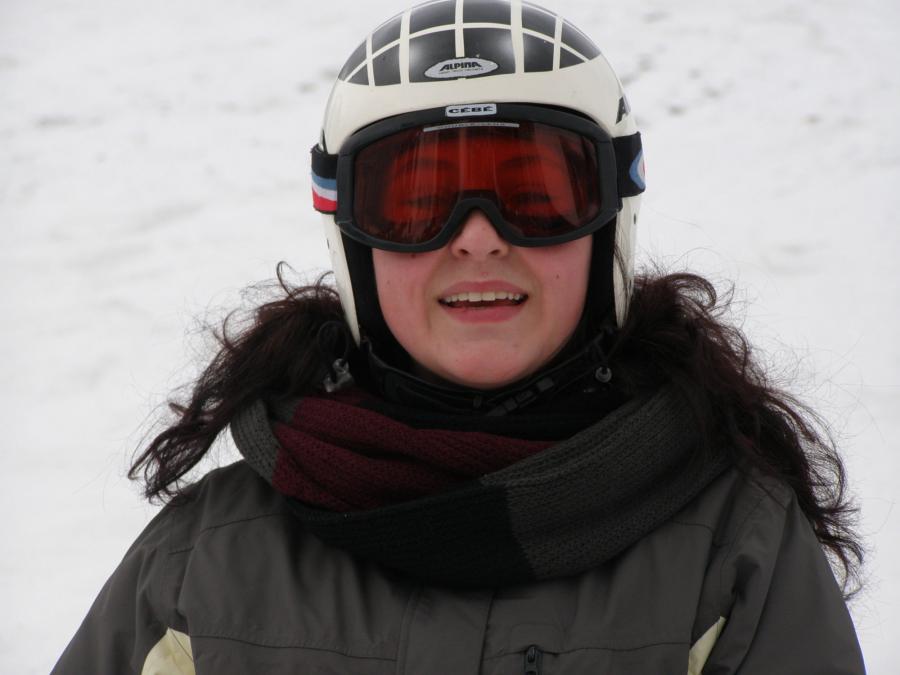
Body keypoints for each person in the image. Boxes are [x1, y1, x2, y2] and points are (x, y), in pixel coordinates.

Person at [53, 1, 866, 673]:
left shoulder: (730, 554)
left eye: (537, 193)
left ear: (609, 222)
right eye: (416, 201)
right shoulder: (204, 566)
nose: (477, 238)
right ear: (353, 240)